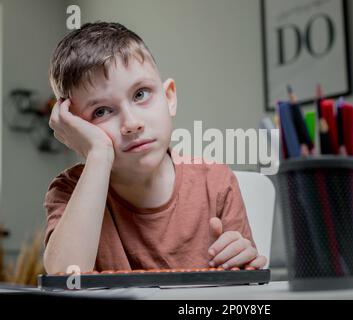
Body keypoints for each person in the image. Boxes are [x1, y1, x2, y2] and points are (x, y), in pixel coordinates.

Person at [43, 22, 266, 274]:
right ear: (75, 129)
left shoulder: (216, 183)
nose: (132, 124)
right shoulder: (69, 190)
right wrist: (99, 153)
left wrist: (245, 264)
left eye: (140, 94)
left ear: (169, 97)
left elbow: (241, 288)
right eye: (101, 111)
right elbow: (65, 275)